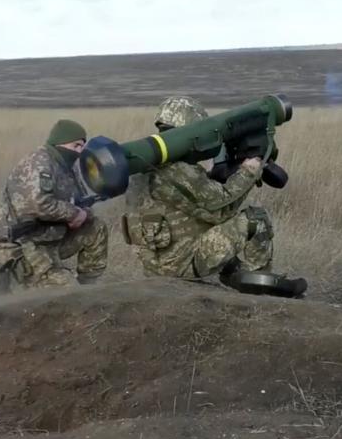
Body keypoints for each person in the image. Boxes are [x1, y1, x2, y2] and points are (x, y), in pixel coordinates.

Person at [121, 96, 306, 297]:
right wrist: (248, 171)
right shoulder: (176, 170)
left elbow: (191, 202)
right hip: (179, 266)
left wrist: (217, 176)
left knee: (211, 230)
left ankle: (238, 276)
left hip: (157, 265)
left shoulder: (144, 166)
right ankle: (261, 285)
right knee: (256, 218)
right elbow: (220, 210)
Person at [0, 119, 108, 289]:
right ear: (61, 143)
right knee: (68, 291)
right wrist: (74, 214)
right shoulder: (39, 162)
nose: (80, 152)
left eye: (82, 146)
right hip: (23, 245)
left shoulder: (67, 167)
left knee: (96, 227)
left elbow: (79, 201)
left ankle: (90, 286)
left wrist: (84, 214)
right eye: (76, 146)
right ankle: (19, 282)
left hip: (50, 239)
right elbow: (39, 204)